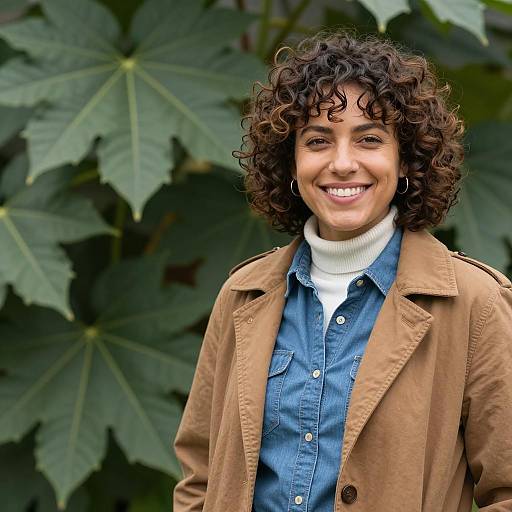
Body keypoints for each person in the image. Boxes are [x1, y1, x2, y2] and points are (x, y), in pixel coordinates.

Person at [173, 31, 512, 512]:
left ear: (406, 159)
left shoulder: (474, 303)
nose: (343, 163)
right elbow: (199, 477)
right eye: (318, 141)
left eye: (369, 139)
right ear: (290, 162)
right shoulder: (242, 294)